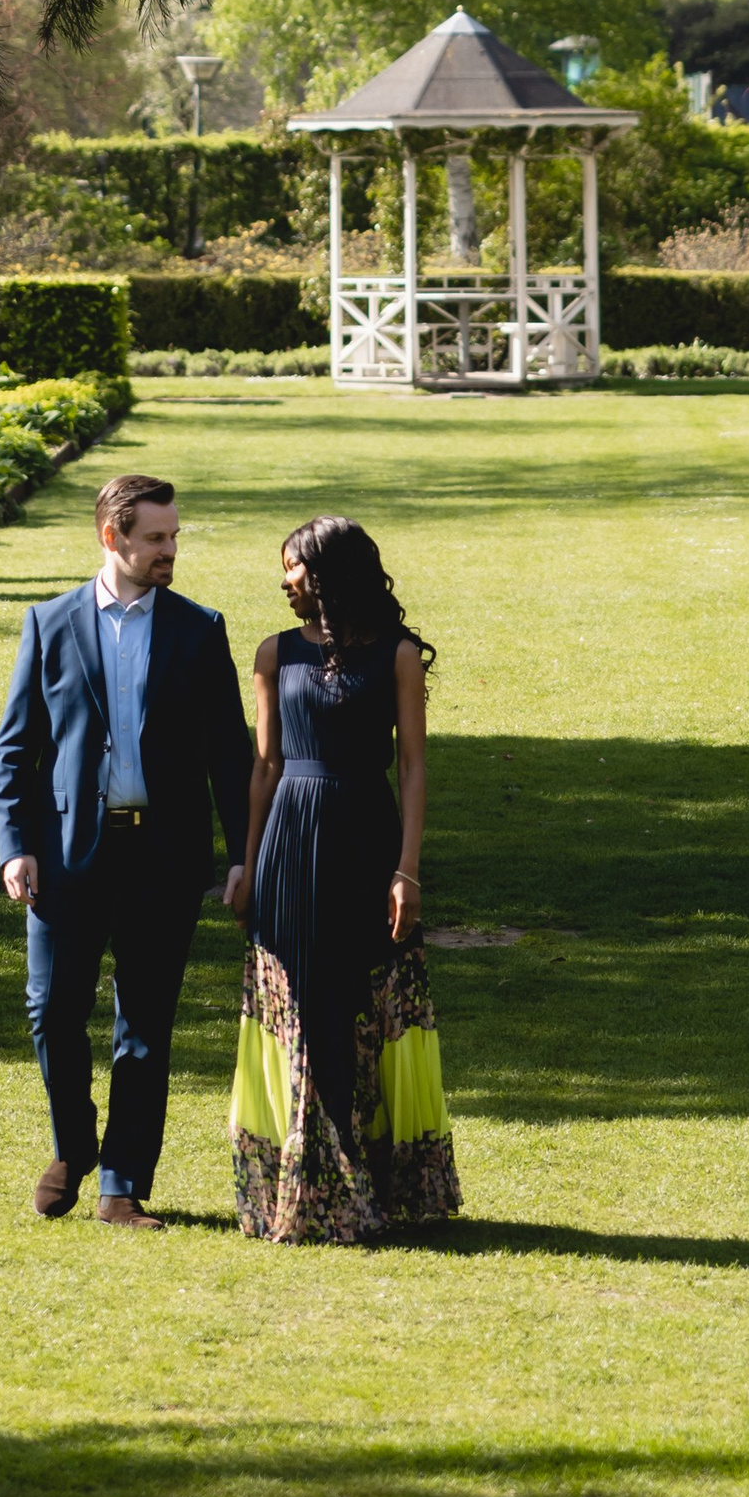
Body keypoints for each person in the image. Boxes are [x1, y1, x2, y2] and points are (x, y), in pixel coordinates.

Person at [0, 470, 252, 1225]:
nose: (170, 549)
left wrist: (240, 853)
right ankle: (74, 1147)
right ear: (113, 537)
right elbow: (15, 748)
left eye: (174, 536)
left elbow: (229, 755)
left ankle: (121, 1186)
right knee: (51, 1010)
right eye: (156, 538)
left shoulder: (199, 629)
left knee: (143, 1024)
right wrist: (16, 845)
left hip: (163, 858)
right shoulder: (49, 622)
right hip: (66, 853)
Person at [229, 513, 461, 1241]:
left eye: (295, 566)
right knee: (303, 1004)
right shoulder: (272, 653)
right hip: (289, 845)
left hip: (366, 836)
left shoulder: (395, 655)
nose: (284, 579)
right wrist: (245, 860)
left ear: (329, 573)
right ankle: (311, 1186)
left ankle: (371, 1182)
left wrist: (408, 869)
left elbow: (414, 767)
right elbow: (264, 765)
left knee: (362, 1002)